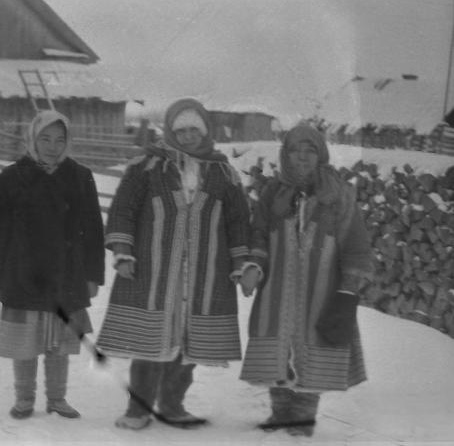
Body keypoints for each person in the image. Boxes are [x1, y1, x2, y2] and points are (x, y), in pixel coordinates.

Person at [96, 98, 260, 430]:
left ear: (205, 131)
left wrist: (240, 263)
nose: (187, 136)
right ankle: (138, 410)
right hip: (152, 269)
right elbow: (124, 209)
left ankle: (172, 405)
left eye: (193, 130)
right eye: (180, 130)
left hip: (204, 274)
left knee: (188, 344)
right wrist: (122, 251)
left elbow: (238, 221)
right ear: (170, 130)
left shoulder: (222, 171)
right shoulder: (148, 165)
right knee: (148, 341)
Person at [240, 123, 374, 437]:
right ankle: (279, 413)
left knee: (313, 345)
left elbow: (355, 243)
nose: (302, 157)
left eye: (310, 150)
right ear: (285, 154)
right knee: (278, 346)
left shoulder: (338, 192)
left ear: (320, 154)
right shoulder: (273, 191)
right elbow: (258, 232)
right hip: (277, 288)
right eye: (295, 150)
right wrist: (254, 266)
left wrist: (348, 288)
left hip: (323, 288)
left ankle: (302, 418)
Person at [0, 109, 105, 420]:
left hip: (67, 275)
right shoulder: (12, 177)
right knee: (25, 341)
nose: (52, 146)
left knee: (59, 342)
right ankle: (24, 399)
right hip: (22, 273)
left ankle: (57, 399)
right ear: (33, 139)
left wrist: (93, 275)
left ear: (67, 142)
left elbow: (92, 229)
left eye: (59, 140)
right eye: (45, 139)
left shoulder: (79, 176)